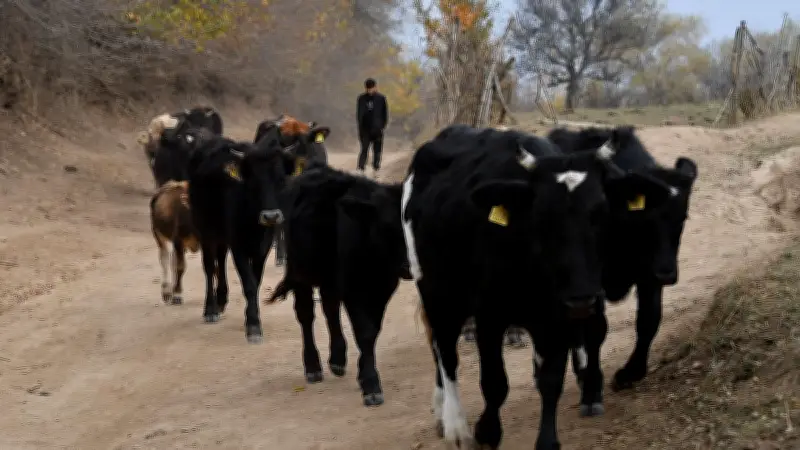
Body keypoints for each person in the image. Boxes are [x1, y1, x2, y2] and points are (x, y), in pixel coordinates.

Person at [356, 78, 388, 179]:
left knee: (377, 150)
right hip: (365, 130)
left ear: (375, 87)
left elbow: (385, 114)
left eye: (371, 88)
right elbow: (359, 114)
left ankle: (376, 169)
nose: (370, 90)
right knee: (364, 149)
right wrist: (360, 128)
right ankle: (361, 169)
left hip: (377, 130)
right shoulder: (361, 99)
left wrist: (382, 126)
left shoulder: (381, 98)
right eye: (368, 88)